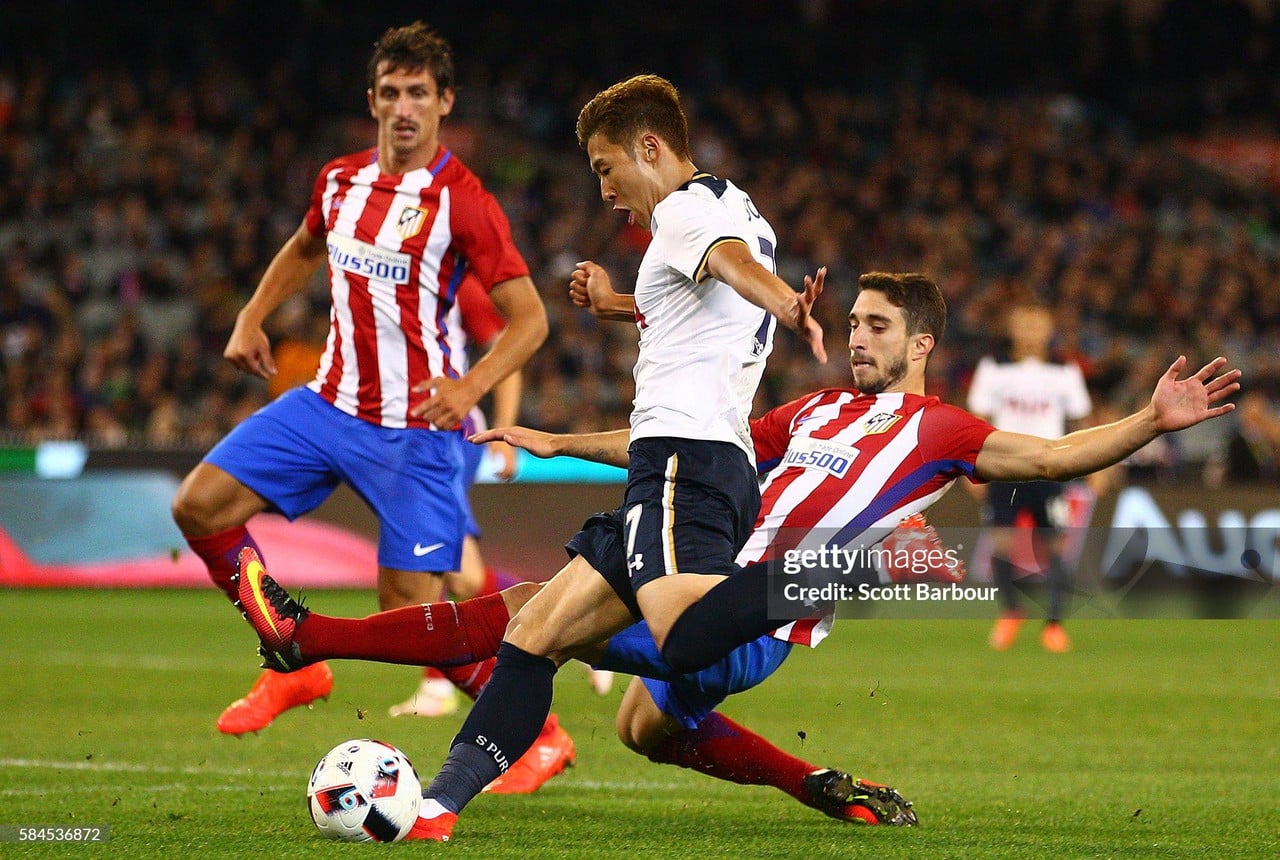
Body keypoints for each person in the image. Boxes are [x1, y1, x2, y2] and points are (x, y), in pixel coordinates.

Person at [235, 271, 1237, 842]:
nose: (855, 337)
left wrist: (1150, 418)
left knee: (532, 613)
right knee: (642, 726)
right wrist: (552, 440)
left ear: (921, 342)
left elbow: (1058, 452)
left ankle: (312, 641)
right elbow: (684, 452)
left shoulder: (941, 429)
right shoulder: (809, 409)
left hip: (757, 614)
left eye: (876, 327)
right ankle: (815, 782)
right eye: (850, 322)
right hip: (698, 571)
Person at [167, 19, 564, 785]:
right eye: (391, 92)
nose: (404, 107)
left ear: (445, 102)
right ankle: (294, 662)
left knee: (409, 620)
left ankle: (540, 733)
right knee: (198, 506)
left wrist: (472, 389)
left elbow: (532, 319)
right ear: (373, 100)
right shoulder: (339, 180)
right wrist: (252, 315)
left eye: (420, 92)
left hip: (418, 430)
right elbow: (306, 246)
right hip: (327, 405)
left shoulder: (464, 203)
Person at [965, 303, 1093, 652]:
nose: (1031, 330)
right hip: (1005, 468)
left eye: (1038, 324)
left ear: (1050, 328)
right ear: (1011, 327)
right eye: (1024, 323)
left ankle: (1053, 625)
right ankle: (1010, 612)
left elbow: (1080, 422)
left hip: (1049, 470)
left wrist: (1087, 465)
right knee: (1001, 543)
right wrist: (970, 467)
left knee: (1056, 547)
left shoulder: (1064, 371)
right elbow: (977, 420)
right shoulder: (994, 369)